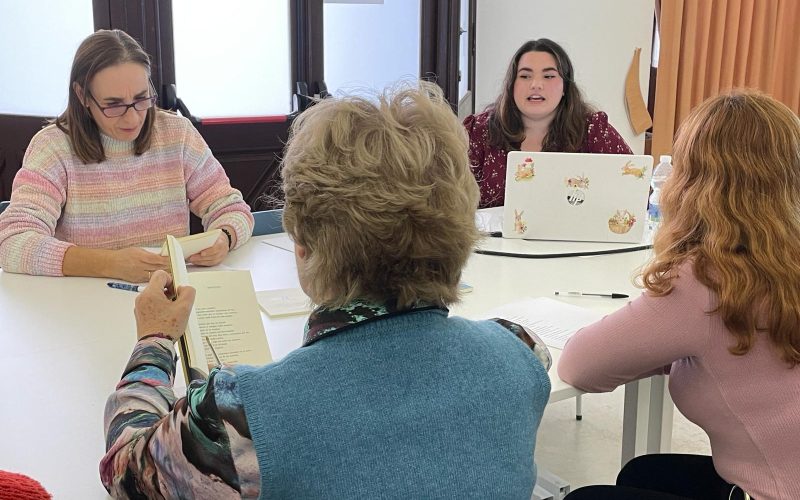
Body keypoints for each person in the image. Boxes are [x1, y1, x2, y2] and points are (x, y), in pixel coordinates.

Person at [100, 82, 553, 498]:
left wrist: (154, 341)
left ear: (303, 244)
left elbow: (126, 471)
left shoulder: (244, 419)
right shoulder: (521, 352)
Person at [559, 91, 800, 500]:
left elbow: (579, 367)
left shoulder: (709, 278)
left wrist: (671, 351)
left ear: (693, 180)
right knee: (646, 473)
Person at [0, 29, 253, 282]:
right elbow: (11, 241)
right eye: (114, 104)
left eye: (141, 99)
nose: (132, 118)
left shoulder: (177, 134)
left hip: (168, 296)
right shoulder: (53, 147)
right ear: (82, 95)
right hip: (82, 304)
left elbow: (232, 208)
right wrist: (109, 264)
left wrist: (225, 237)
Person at [464, 38, 632, 208]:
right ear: (511, 86)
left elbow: (633, 185)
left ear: (565, 86)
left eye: (549, 76)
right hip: (491, 234)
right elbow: (451, 197)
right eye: (525, 76)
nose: (536, 85)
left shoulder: (593, 130)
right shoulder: (480, 131)